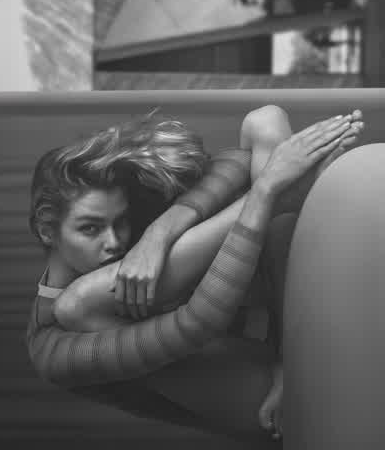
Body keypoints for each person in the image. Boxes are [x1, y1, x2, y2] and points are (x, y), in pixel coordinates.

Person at [26, 105, 364, 442]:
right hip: (257, 397)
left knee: (264, 121)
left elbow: (235, 163)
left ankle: (285, 200)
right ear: (46, 230)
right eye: (90, 228)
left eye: (121, 222)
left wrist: (159, 233)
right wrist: (268, 192)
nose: (113, 242)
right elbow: (197, 326)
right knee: (80, 300)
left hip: (274, 329)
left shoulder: (115, 241)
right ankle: (287, 197)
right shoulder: (53, 350)